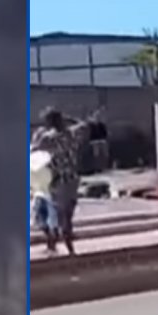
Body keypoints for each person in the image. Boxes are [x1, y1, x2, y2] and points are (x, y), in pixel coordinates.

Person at [30, 107, 98, 256]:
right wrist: (69, 118)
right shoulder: (73, 134)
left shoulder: (48, 138)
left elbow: (32, 149)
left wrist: (37, 136)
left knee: (45, 215)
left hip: (57, 182)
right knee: (66, 217)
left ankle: (53, 246)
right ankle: (69, 250)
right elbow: (85, 124)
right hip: (73, 180)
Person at [29, 150, 61, 254]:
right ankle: (52, 244)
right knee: (51, 222)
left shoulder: (30, 172)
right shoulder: (49, 171)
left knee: (42, 222)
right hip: (49, 197)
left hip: (41, 197)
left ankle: (51, 244)